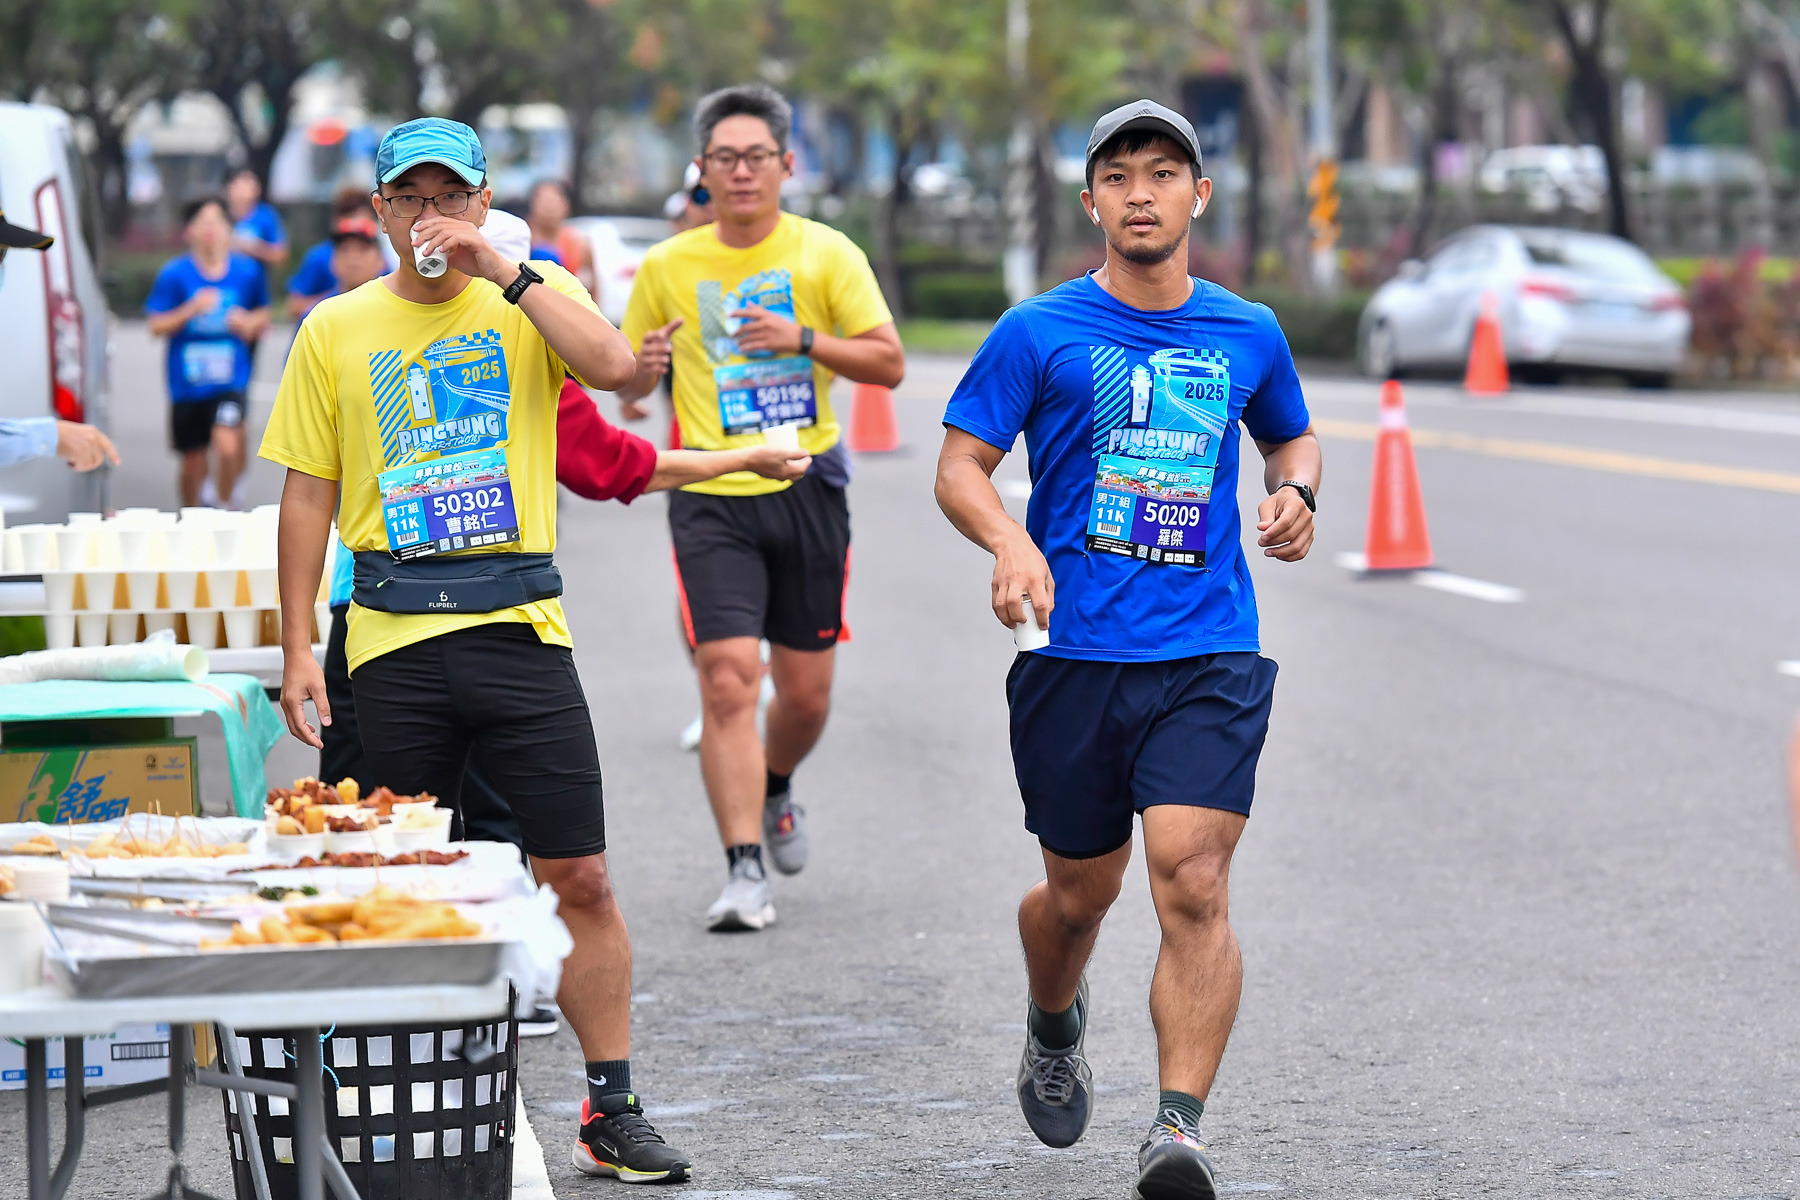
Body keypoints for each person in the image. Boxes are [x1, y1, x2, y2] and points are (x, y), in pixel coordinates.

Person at [263, 117, 801, 1183]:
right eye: (409, 199)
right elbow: (307, 493)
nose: (430, 218)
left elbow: (614, 369)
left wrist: (503, 269)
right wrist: (297, 645)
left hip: (520, 628)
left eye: (448, 197)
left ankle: (612, 1107)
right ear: (379, 213)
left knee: (581, 875)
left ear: (481, 201)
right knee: (400, 877)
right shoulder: (335, 326)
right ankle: (399, 1102)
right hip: (391, 636)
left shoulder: (530, 294)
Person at [934, 99, 1322, 1200]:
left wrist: (1295, 492)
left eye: (1162, 173)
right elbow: (960, 466)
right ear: (1091, 200)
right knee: (1078, 896)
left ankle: (1177, 1128)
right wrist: (1010, 539)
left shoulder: (1248, 330)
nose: (1140, 193)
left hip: (1208, 649)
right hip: (1072, 657)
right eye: (1118, 175)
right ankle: (1054, 1017)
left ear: (1200, 194)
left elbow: (1290, 433)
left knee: (1193, 879)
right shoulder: (1037, 331)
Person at [617, 83, 905, 932]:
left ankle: (775, 783)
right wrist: (641, 368)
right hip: (711, 494)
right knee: (727, 678)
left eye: (756, 158)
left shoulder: (826, 254)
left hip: (806, 485)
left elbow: (888, 364)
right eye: (725, 159)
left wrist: (802, 339)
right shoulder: (669, 266)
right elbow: (627, 383)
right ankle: (743, 870)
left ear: (786, 165)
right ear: (701, 170)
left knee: (806, 697)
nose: (741, 172)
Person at [146, 197, 270, 508]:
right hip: (187, 384)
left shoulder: (247, 271)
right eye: (203, 222)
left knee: (227, 446)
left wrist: (247, 322)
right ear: (189, 230)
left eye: (217, 222)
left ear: (229, 230)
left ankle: (224, 508)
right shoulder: (174, 274)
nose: (210, 229)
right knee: (192, 464)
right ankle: (192, 517)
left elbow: (264, 315)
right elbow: (155, 325)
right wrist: (190, 309)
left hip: (230, 380)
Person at [287, 185, 388, 320]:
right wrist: (335, 303)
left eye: (363, 249)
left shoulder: (392, 311)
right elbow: (294, 305)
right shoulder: (319, 257)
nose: (353, 257)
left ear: (379, 261)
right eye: (345, 249)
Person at [526, 180, 595, 296]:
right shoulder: (523, 240)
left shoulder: (579, 244)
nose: (550, 208)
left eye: (554, 201)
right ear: (532, 205)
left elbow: (592, 289)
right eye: (545, 202)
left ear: (566, 205)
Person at [227, 167, 289, 274]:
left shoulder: (266, 215)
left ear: (257, 190)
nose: (243, 192)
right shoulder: (219, 214)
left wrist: (252, 248)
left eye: (248, 186)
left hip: (255, 281)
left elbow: (281, 256)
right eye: (239, 185)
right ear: (229, 188)